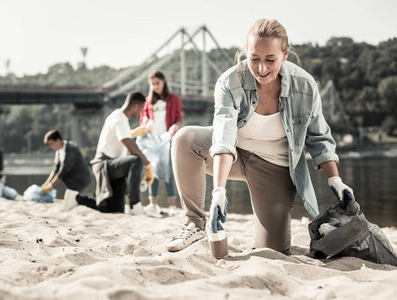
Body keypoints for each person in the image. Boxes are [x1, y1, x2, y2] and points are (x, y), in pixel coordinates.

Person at [167, 18, 355, 255]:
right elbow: (224, 137)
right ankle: (194, 224)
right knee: (185, 139)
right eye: (254, 59)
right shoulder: (230, 82)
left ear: (284, 55)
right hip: (234, 156)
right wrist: (219, 192)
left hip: (274, 167)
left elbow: (319, 138)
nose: (262, 68)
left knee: (274, 250)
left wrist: (335, 180)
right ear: (246, 53)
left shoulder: (304, 86)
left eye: (270, 60)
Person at [63, 91, 155, 215]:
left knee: (115, 209)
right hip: (104, 164)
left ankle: (76, 198)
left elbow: (121, 136)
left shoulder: (118, 116)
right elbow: (132, 149)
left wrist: (136, 132)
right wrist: (148, 165)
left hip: (113, 166)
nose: (140, 114)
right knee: (136, 160)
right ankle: (135, 205)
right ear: (135, 106)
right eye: (141, 109)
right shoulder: (120, 120)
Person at [139, 70, 183, 217]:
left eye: (157, 83)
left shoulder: (174, 99)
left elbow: (178, 118)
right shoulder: (148, 101)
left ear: (163, 82)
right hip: (153, 141)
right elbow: (143, 119)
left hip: (167, 140)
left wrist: (175, 127)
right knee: (153, 170)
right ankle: (153, 204)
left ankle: (172, 205)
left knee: (168, 170)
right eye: (152, 84)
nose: (155, 86)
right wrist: (145, 122)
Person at [42, 130, 92, 194]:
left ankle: (78, 195)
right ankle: (76, 195)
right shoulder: (59, 152)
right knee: (72, 195)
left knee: (75, 196)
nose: (51, 146)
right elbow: (56, 169)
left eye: (51, 143)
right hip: (73, 178)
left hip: (82, 178)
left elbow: (63, 170)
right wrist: (47, 183)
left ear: (58, 140)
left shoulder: (71, 148)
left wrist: (51, 185)